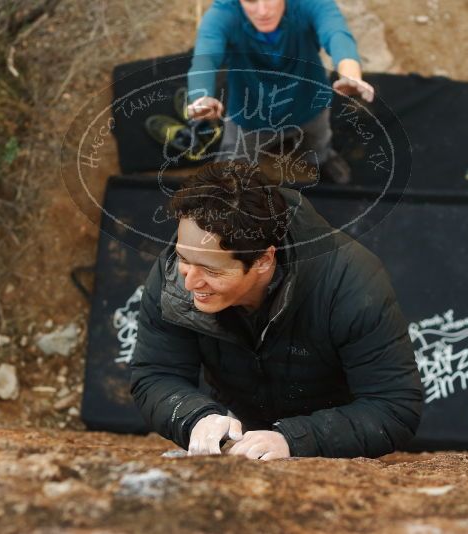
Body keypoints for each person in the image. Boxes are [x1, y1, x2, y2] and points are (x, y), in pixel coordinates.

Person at [130, 162, 424, 459]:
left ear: (263, 261)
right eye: (183, 258)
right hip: (238, 436)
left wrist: (293, 439)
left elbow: (394, 408)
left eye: (211, 270)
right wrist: (195, 418)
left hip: (333, 446)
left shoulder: (350, 283)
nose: (189, 281)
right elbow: (156, 372)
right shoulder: (174, 274)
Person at [185, 0, 375, 184]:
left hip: (309, 103)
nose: (262, 11)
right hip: (250, 114)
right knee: (234, 166)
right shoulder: (224, 12)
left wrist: (351, 74)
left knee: (319, 141)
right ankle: (233, 183)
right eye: (250, 0)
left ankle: (322, 158)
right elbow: (206, 56)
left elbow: (336, 32)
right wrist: (200, 97)